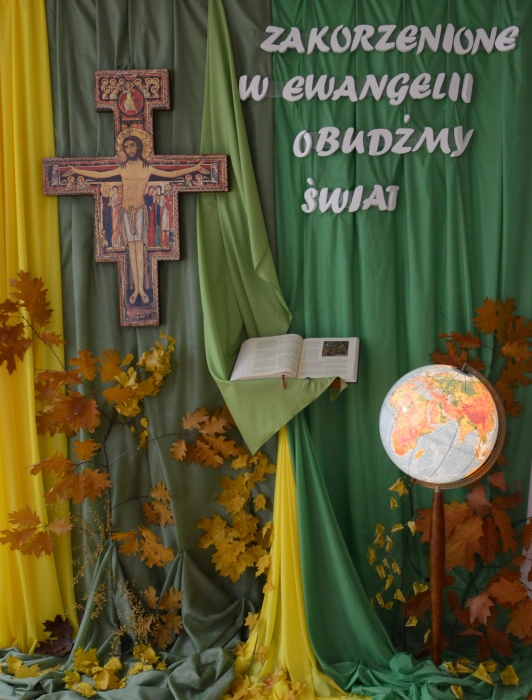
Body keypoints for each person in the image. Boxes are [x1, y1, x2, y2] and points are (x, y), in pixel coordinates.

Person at [68, 135, 208, 305]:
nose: (130, 149)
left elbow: (171, 174)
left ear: (139, 147)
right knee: (131, 251)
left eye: (133, 145)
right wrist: (77, 171)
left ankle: (140, 289)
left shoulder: (147, 168)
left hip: (140, 212)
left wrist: (194, 168)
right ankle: (135, 288)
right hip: (125, 213)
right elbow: (99, 175)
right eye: (126, 147)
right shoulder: (122, 168)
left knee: (139, 251)